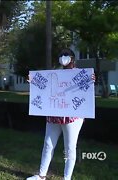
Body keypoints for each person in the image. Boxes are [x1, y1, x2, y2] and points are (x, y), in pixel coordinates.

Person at [26, 48, 95, 180]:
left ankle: (67, 177)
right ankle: (41, 175)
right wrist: (33, 81)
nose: (63, 57)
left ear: (72, 58)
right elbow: (43, 87)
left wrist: (91, 79)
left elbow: (85, 91)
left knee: (69, 148)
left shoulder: (81, 75)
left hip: (72, 118)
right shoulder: (54, 75)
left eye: (66, 55)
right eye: (61, 55)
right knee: (48, 144)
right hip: (54, 115)